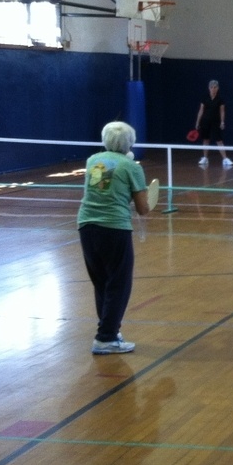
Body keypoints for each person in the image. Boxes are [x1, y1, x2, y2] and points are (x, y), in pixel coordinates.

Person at [78, 121, 151, 354]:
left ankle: (109, 332)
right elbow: (142, 208)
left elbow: (101, 190)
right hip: (114, 228)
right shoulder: (131, 167)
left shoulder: (93, 161)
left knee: (102, 282)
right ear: (130, 142)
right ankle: (106, 337)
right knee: (119, 283)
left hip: (87, 226)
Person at [195, 80, 233, 167]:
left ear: (218, 88)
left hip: (216, 122)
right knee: (206, 139)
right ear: (209, 88)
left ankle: (225, 159)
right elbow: (201, 110)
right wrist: (197, 122)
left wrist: (222, 122)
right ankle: (205, 158)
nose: (213, 89)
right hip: (205, 122)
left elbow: (222, 112)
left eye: (215, 87)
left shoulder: (220, 99)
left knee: (219, 140)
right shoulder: (205, 98)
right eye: (211, 87)